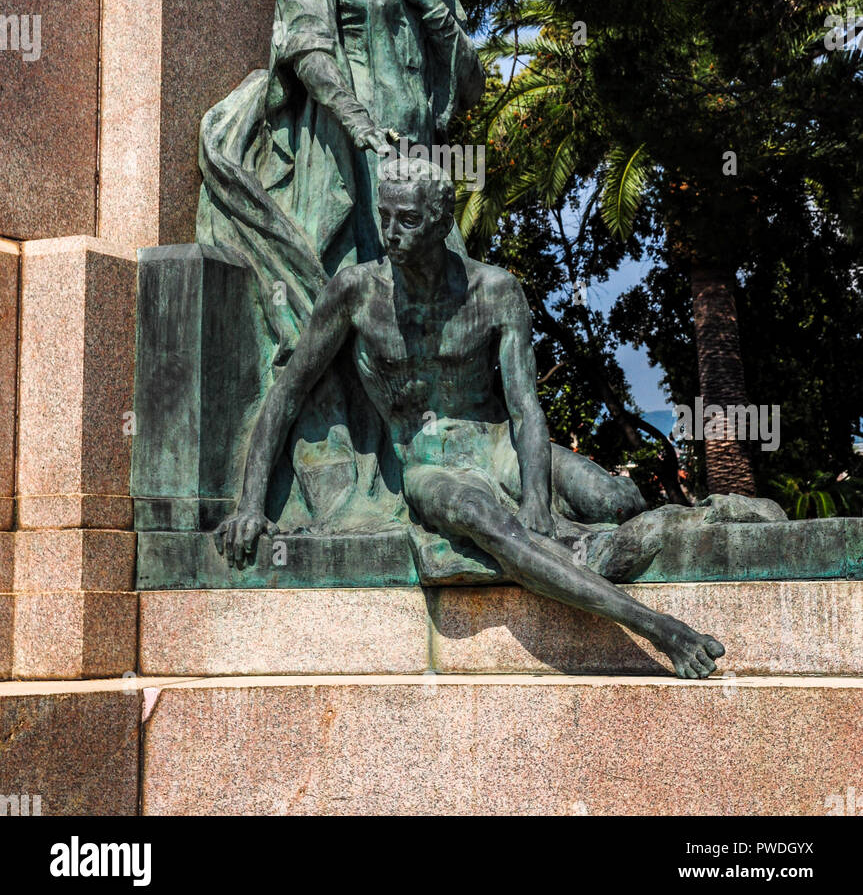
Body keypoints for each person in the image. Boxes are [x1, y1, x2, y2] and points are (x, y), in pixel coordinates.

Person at [216, 159, 728, 680]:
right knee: (488, 521)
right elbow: (287, 391)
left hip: (500, 444)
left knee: (614, 501)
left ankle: (715, 514)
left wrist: (535, 498)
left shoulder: (496, 291)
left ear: (441, 224)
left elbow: (525, 406)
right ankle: (661, 628)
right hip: (429, 465)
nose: (391, 234)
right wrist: (250, 505)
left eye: (408, 221)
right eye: (384, 217)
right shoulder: (356, 293)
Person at [197, 0, 484, 526]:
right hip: (341, 153)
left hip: (411, 163)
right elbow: (304, 46)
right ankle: (325, 481)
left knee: (425, 310)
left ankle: (424, 463)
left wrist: (443, 27)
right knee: (334, 303)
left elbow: (469, 84)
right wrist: (356, 121)